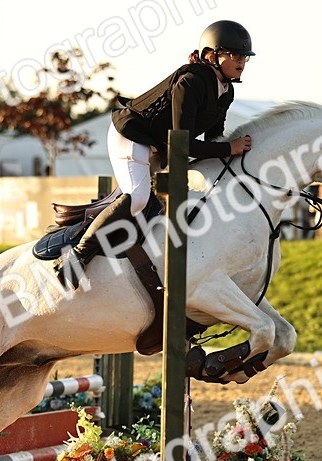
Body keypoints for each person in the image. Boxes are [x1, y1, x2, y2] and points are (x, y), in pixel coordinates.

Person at [58, 20, 255, 275]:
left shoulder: (226, 91)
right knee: (139, 198)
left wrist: (232, 154)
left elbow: (212, 142)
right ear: (211, 55)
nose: (241, 62)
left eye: (244, 57)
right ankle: (76, 256)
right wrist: (230, 148)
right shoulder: (192, 81)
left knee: (153, 205)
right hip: (130, 135)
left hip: (153, 145)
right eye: (234, 55)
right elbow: (180, 145)